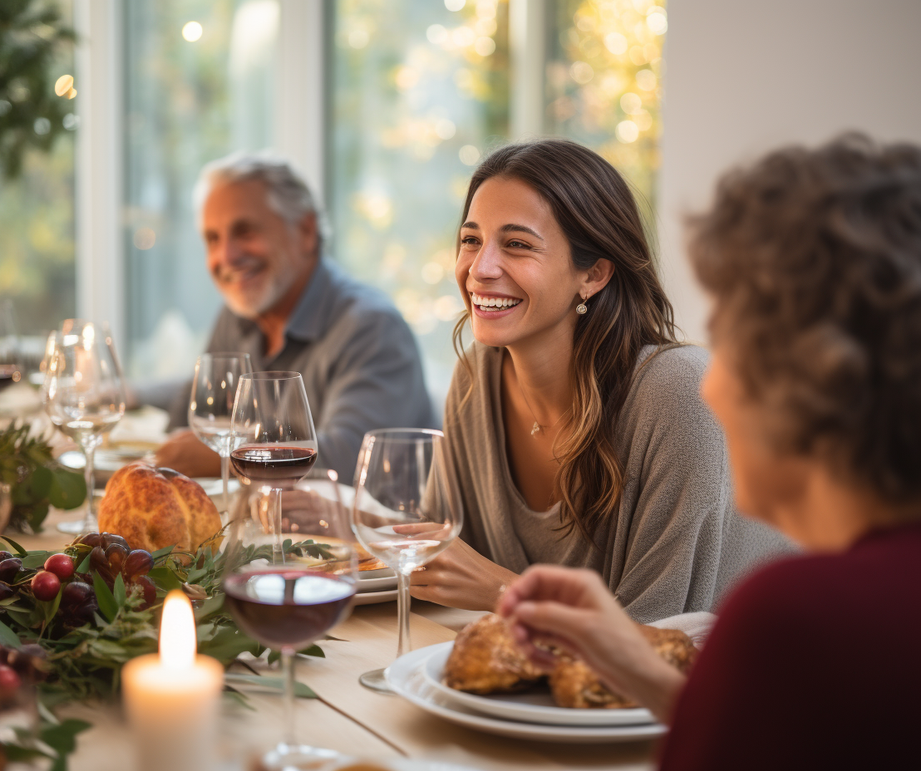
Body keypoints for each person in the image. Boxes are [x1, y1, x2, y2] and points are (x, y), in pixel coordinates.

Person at [499, 135, 921, 768]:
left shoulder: (795, 615)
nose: (713, 385)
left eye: (731, 344)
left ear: (819, 376)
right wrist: (634, 662)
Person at [410, 139, 789, 618]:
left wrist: (505, 594)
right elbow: (435, 563)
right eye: (471, 240)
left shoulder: (680, 396)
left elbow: (657, 652)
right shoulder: (476, 377)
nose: (479, 269)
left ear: (594, 274)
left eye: (518, 244)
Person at [155, 153, 435, 484]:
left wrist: (226, 456)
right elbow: (195, 406)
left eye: (244, 231)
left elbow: (347, 463)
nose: (226, 256)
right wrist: (123, 395)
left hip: (373, 531)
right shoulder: (238, 314)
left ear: (305, 231)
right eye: (213, 239)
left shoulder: (373, 328)